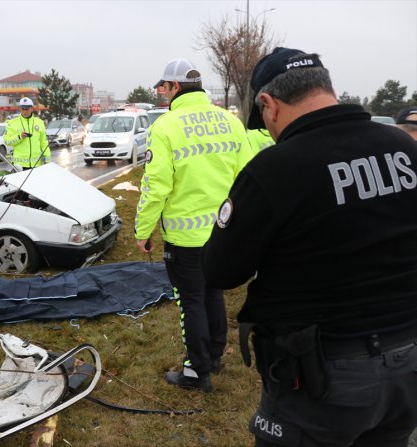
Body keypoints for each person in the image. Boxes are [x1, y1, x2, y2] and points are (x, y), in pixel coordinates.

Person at [202, 47, 417, 446]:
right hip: (406, 362)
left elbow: (220, 271)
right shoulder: (404, 149)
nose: (268, 128)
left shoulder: (275, 170)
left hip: (324, 379)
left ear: (268, 103)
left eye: (263, 118)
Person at [134, 58, 253, 391]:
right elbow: (246, 177)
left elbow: (156, 187)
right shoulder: (229, 121)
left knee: (191, 302)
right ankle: (214, 354)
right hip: (221, 231)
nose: (162, 93)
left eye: (163, 86)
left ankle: (197, 371)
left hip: (185, 237)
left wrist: (143, 231)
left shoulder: (166, 126)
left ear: (175, 88)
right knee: (213, 292)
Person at [4, 97, 50, 169]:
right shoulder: (12, 123)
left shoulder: (39, 123)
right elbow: (7, 141)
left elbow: (44, 142)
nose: (25, 111)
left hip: (36, 165)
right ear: (20, 109)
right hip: (20, 165)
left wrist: (47, 159)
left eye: (27, 109)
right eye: (23, 109)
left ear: (32, 109)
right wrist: (19, 137)